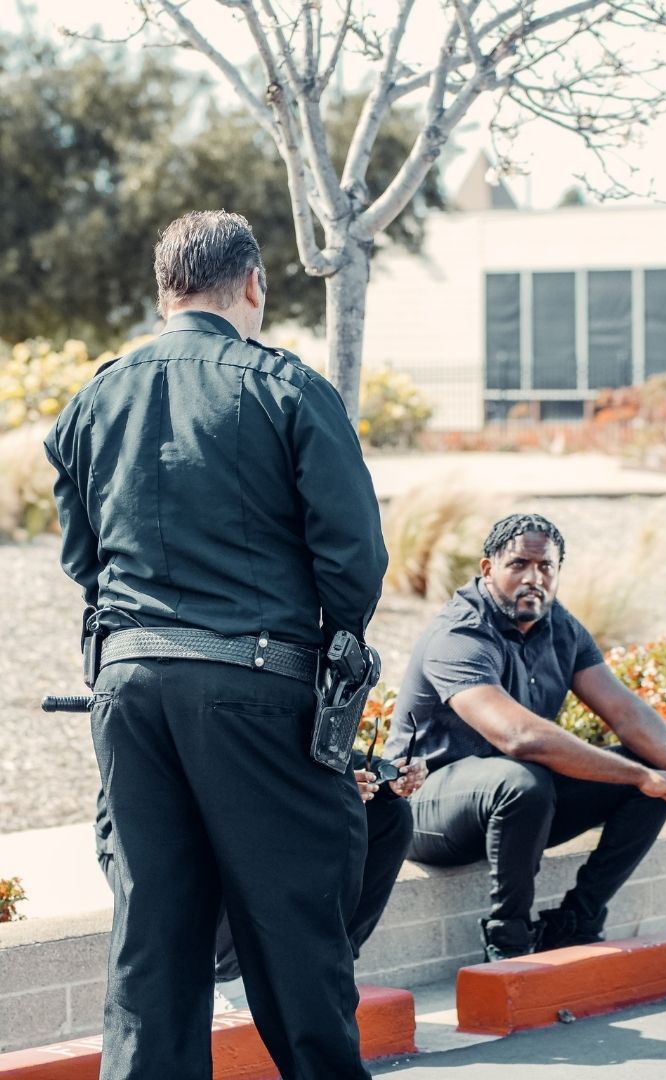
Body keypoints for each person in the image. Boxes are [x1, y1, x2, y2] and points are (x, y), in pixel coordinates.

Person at [44, 211, 388, 1080]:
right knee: (294, 930)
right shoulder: (288, 388)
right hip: (254, 685)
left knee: (152, 933)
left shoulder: (95, 396)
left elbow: (82, 557)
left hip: (128, 686)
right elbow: (355, 559)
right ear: (255, 286)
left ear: (165, 292)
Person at [382, 512, 666, 961]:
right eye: (519, 565)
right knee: (524, 779)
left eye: (545, 567)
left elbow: (623, 711)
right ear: (488, 569)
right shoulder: (460, 633)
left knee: (652, 778)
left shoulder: (559, 626)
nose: (534, 578)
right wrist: (637, 773)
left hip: (519, 808)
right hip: (427, 807)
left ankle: (575, 921)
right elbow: (520, 738)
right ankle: (509, 940)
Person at [91, 746, 426, 1011]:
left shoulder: (286, 673)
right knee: (253, 826)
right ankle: (227, 978)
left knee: (387, 813)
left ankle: (321, 965)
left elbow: (298, 744)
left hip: (241, 803)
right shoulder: (218, 671)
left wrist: (387, 775)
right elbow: (234, 778)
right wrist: (318, 788)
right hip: (146, 846)